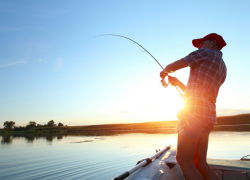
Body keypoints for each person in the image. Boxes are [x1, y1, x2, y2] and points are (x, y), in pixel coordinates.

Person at [160, 33, 227, 180]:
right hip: (208, 115)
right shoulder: (223, 66)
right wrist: (177, 83)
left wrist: (164, 71)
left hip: (194, 113)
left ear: (212, 43)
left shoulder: (205, 52)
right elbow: (200, 93)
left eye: (201, 43)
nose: (199, 46)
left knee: (184, 160)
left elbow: (173, 66)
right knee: (201, 162)